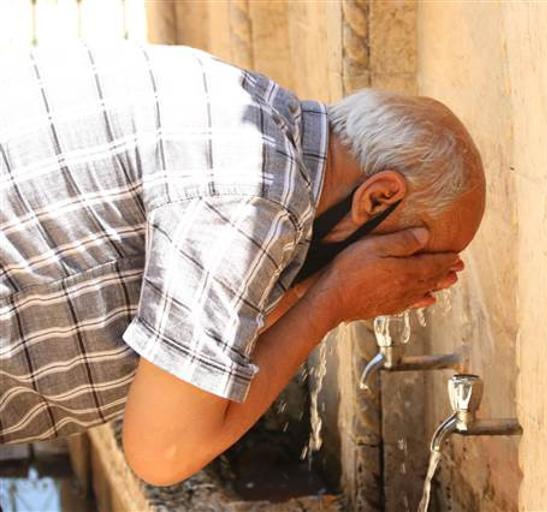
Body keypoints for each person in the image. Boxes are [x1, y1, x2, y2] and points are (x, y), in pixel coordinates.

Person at [0, 42, 485, 486]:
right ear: (378, 197)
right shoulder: (254, 194)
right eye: (413, 257)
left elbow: (217, 337)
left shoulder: (249, 112)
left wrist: (316, 292)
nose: (405, 288)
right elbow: (163, 451)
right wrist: (332, 300)